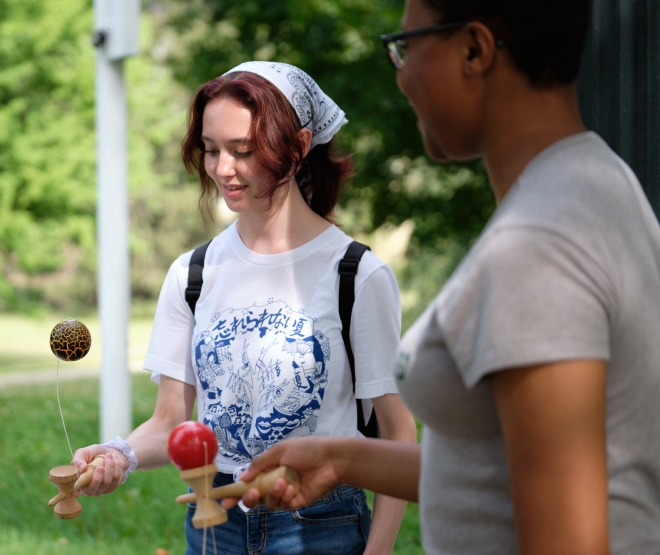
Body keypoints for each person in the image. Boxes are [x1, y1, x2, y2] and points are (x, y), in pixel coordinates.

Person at [227, 1, 660, 554]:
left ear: (474, 50)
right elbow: (498, 467)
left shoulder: (538, 247)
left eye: (406, 48)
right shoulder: (598, 180)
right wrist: (341, 458)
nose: (402, 76)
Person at [71, 61, 417, 555]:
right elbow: (170, 422)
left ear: (298, 146)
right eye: (211, 150)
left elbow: (397, 431)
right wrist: (119, 455)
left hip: (322, 525)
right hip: (214, 522)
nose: (222, 169)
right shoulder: (192, 274)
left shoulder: (357, 275)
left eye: (243, 151)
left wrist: (377, 552)